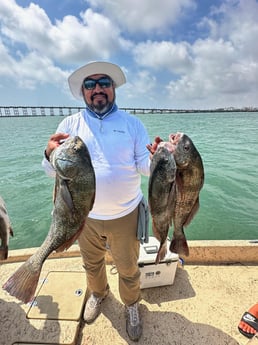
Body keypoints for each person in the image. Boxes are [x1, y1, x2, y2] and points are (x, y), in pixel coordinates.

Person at [42, 61, 152, 342]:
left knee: (128, 267)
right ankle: (99, 294)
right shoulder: (69, 125)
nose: (98, 89)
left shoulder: (132, 124)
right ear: (83, 92)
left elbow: (145, 166)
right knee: (92, 264)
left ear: (113, 89)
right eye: (90, 85)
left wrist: (162, 158)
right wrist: (47, 152)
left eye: (104, 83)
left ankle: (131, 305)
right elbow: (51, 170)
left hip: (125, 212)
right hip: (83, 215)